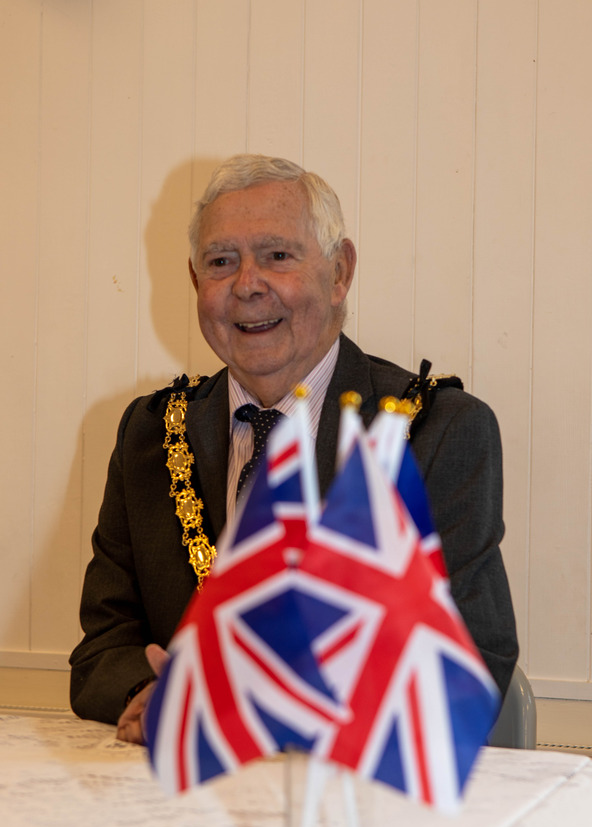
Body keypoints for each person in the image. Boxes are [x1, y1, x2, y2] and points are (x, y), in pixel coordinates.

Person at [69, 154, 518, 744]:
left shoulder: (438, 432)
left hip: (359, 810)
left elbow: (469, 662)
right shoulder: (150, 434)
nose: (247, 285)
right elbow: (103, 647)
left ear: (339, 274)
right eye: (221, 262)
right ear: (195, 283)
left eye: (277, 256)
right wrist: (150, 697)